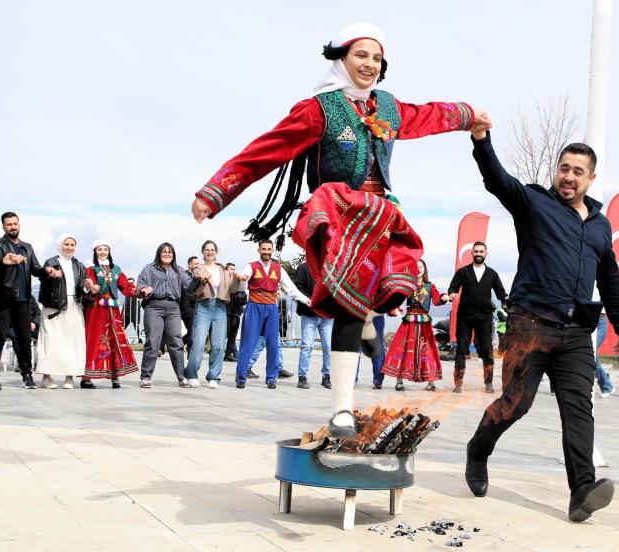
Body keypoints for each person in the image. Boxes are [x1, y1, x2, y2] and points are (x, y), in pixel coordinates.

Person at [191, 22, 487, 435]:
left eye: (377, 58)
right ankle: (343, 408)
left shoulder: (387, 106)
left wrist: (468, 116)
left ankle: (367, 317)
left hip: (381, 212)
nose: (369, 64)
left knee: (395, 282)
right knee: (347, 303)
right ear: (341, 58)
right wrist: (216, 191)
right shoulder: (318, 109)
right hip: (338, 212)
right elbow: (265, 150)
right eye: (360, 55)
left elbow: (427, 116)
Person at [464, 130, 619, 523]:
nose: (569, 176)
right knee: (515, 404)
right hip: (529, 325)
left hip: (576, 332)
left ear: (591, 178)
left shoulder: (600, 226)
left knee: (578, 409)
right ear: (556, 171)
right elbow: (497, 179)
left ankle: (581, 491)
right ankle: (478, 449)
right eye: (564, 168)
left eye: (578, 171)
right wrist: (482, 141)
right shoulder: (534, 203)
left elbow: (609, 280)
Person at [0, 212, 61, 390]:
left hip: (23, 301)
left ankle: (27, 375)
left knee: (25, 339)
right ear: (3, 227)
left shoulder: (27, 247)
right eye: (9, 224)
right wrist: (6, 261)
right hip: (3, 300)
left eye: (15, 224)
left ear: (19, 225)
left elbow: (35, 269)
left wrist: (47, 271)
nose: (13, 227)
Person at [235, 240, 309, 389]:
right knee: (248, 343)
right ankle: (241, 377)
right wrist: (242, 281)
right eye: (264, 249)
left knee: (273, 344)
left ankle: (271, 378)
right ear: (259, 250)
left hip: (271, 308)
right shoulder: (251, 266)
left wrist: (306, 300)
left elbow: (291, 289)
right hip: (254, 307)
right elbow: (243, 283)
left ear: (272, 250)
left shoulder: (278, 269)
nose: (266, 252)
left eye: (269, 249)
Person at [448, 242, 507, 393]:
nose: (478, 253)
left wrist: (506, 301)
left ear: (486, 253)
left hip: (485, 317)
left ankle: (488, 383)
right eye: (476, 251)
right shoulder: (463, 272)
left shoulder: (492, 274)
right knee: (461, 349)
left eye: (481, 251)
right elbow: (453, 286)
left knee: (487, 350)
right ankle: (458, 383)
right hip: (465, 318)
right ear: (472, 253)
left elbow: (501, 292)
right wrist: (452, 293)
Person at [382, 259, 449, 391]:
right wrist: (394, 308)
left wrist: (444, 298)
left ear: (425, 270)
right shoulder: (407, 285)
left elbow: (436, 299)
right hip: (409, 322)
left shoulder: (430, 286)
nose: (419, 269)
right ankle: (399, 382)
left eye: (421, 267)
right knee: (402, 349)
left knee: (428, 350)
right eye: (416, 267)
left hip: (424, 324)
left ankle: (431, 383)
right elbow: (397, 299)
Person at [81, 240, 138, 388]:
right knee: (94, 339)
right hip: (95, 309)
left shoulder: (116, 270)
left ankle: (115, 374)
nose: (103, 252)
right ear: (95, 251)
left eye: (105, 249)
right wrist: (92, 288)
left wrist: (137, 290)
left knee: (115, 340)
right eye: (100, 249)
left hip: (113, 311)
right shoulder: (91, 269)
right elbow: (89, 287)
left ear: (109, 252)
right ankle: (86, 377)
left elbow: (125, 287)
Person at [136, 242, 194, 388]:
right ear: (158, 253)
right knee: (153, 342)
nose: (167, 254)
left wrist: (199, 279)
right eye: (164, 252)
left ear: (173, 254)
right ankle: (145, 377)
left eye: (170, 252)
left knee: (176, 342)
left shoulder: (178, 270)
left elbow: (190, 287)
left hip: (173, 308)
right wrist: (144, 290)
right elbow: (140, 284)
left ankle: (182, 377)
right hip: (154, 307)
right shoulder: (149, 268)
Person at [34, 233, 88, 389]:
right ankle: (47, 376)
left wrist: (88, 284)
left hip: (74, 305)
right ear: (60, 245)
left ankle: (69, 376)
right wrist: (49, 272)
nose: (69, 248)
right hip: (54, 305)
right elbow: (43, 277)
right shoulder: (50, 262)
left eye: (72, 245)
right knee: (50, 341)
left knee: (73, 341)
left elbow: (82, 281)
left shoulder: (78, 264)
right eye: (66, 244)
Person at [185, 240, 237, 388]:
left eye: (212, 249)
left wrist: (238, 280)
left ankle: (213, 376)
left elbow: (232, 289)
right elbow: (195, 291)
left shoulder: (223, 269)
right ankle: (191, 374)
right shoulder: (198, 268)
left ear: (216, 252)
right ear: (203, 252)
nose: (210, 252)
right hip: (203, 306)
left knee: (218, 345)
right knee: (198, 343)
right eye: (207, 250)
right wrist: (202, 280)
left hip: (220, 307)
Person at [293, 260, 332, 389]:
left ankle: (327, 376)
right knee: (307, 345)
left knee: (328, 347)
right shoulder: (303, 268)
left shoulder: (330, 268)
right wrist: (313, 300)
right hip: (309, 313)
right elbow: (298, 288)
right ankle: (302, 377)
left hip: (326, 314)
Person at [223, 262, 246, 362]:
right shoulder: (224, 282)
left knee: (233, 335)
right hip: (226, 312)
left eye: (234, 269)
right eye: (231, 269)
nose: (233, 271)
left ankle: (228, 354)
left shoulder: (239, 283)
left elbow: (244, 300)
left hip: (236, 312)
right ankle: (231, 353)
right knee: (225, 334)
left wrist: (239, 293)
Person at [181, 255, 200, 352]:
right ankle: (190, 351)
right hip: (186, 306)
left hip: (193, 306)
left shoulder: (196, 276)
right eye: (196, 264)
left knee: (192, 330)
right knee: (192, 329)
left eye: (198, 264)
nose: (198, 266)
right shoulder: (185, 275)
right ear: (190, 264)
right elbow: (188, 291)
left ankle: (180, 344)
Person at [122, 278, 142, 343]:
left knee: (137, 326)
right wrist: (122, 312)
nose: (130, 284)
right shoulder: (126, 291)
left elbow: (140, 299)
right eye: (128, 283)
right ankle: (120, 339)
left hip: (135, 312)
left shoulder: (136, 290)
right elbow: (124, 303)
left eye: (131, 283)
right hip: (127, 312)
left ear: (134, 283)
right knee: (122, 326)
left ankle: (139, 339)